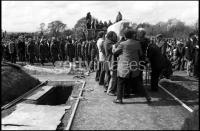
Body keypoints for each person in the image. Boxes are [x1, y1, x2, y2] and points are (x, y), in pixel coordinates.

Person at [113, 29, 151, 104]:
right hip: (134, 66)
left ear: (125, 36)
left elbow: (115, 53)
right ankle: (147, 97)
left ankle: (119, 99)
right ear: (132, 35)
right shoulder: (137, 43)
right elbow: (140, 54)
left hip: (124, 67)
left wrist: (115, 48)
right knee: (138, 82)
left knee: (120, 82)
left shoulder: (122, 44)